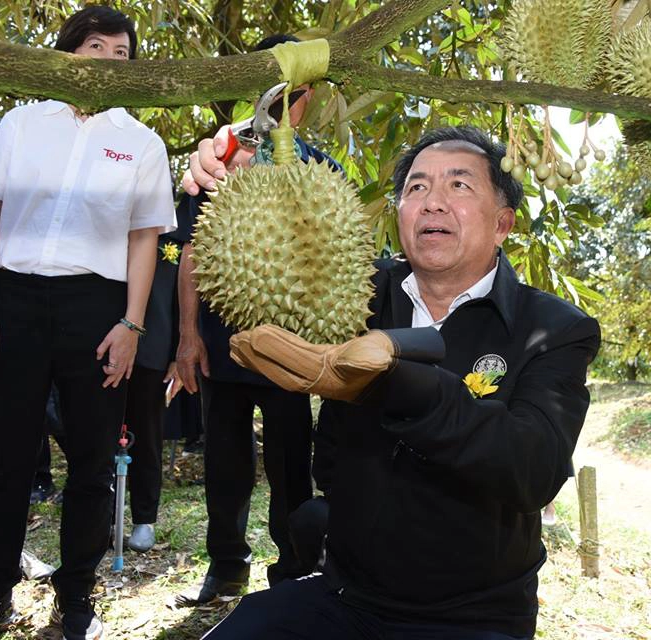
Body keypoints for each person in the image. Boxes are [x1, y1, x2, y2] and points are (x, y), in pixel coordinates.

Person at [188, 126, 600, 639]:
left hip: (475, 617)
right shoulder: (352, 288)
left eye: (459, 185)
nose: (433, 202)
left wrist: (399, 384)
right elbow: (283, 250)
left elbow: (534, 468)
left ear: (502, 224)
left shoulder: (554, 329)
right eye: (417, 187)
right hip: (346, 597)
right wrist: (249, 164)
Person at [0, 7, 175, 640]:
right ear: (67, 53)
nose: (109, 61)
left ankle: (77, 596)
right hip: (14, 300)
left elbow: (143, 241)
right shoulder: (21, 124)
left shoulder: (141, 143)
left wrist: (132, 326)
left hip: (99, 309)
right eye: (96, 46)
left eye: (122, 54)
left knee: (92, 461)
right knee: (5, 457)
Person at [174, 33, 341, 606]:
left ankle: (294, 569)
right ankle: (226, 568)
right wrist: (188, 336)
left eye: (298, 92)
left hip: (291, 350)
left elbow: (331, 264)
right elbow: (192, 254)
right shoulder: (219, 162)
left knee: (292, 464)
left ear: (308, 98)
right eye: (276, 90)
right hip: (222, 343)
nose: (288, 102)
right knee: (225, 464)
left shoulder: (320, 169)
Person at [122, 230, 184, 552]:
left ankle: (144, 517)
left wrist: (176, 354)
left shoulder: (174, 236)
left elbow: (180, 299)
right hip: (106, 344)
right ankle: (105, 514)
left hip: (153, 347)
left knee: (146, 434)